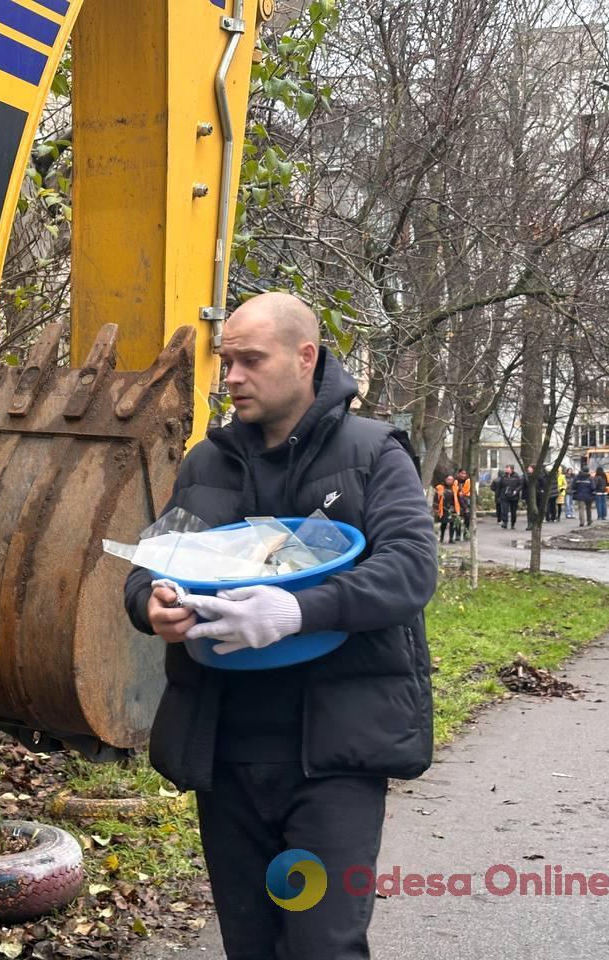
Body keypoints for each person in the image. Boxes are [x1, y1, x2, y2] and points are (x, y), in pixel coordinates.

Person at [123, 292, 437, 960]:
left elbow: (409, 571)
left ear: (304, 357)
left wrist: (297, 609)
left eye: (249, 361)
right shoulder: (207, 463)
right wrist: (151, 604)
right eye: (226, 360)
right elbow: (148, 568)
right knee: (252, 945)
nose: (230, 376)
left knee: (323, 943)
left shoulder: (373, 453)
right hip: (229, 750)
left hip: (334, 757)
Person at [434, 474, 460, 544]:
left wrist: (459, 508)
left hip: (452, 508)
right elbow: (436, 499)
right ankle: (442, 537)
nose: (449, 481)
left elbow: (458, 499)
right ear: (445, 480)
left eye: (451, 480)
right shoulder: (440, 488)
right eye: (448, 479)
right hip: (443, 508)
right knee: (444, 523)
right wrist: (436, 508)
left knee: (452, 524)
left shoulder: (455, 488)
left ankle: (451, 538)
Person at [498, 464, 523, 529]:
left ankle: (513, 523)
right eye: (505, 468)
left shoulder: (516, 476)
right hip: (504, 496)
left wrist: (516, 491)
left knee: (513, 511)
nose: (506, 469)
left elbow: (520, 485)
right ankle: (505, 523)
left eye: (507, 468)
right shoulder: (503, 476)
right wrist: (499, 495)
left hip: (514, 496)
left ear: (511, 469)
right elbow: (499, 486)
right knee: (504, 510)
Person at [456, 468, 473, 539]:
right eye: (462, 473)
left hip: (466, 502)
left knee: (467, 519)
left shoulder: (468, 481)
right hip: (457, 502)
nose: (463, 475)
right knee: (458, 519)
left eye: (464, 473)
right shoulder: (455, 481)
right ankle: (458, 534)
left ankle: (466, 534)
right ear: (458, 473)